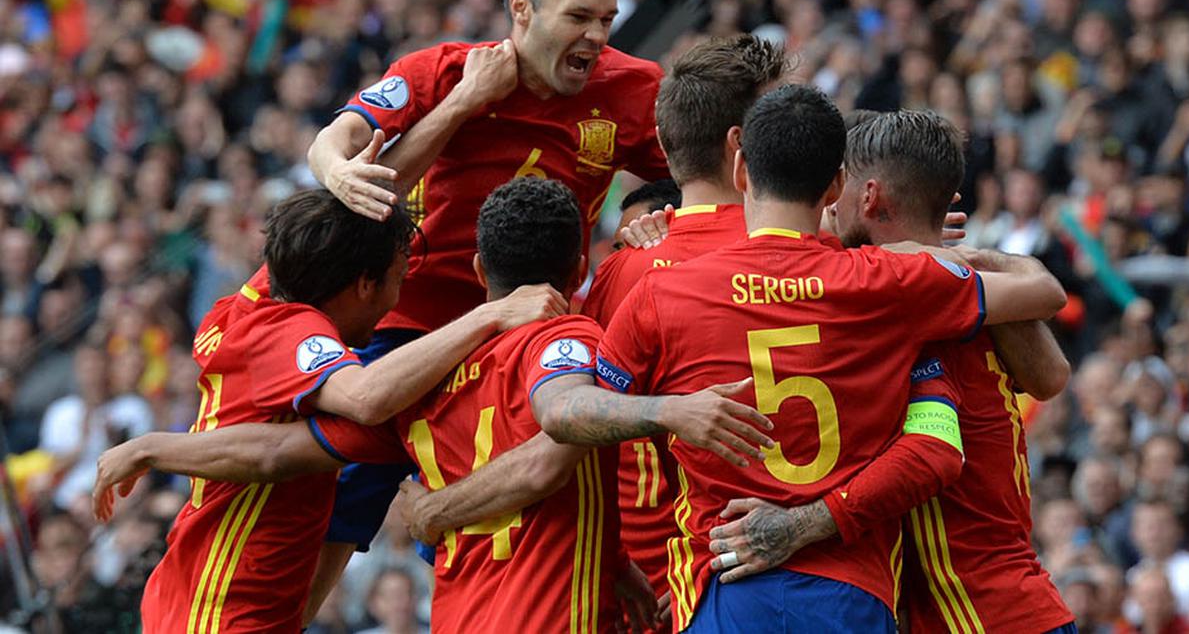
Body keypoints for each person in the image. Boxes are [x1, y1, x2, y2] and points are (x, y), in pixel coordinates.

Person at [95, 179, 772, 633]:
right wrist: (667, 407)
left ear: (478, 271)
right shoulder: (554, 341)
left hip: (440, 613)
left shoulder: (414, 385)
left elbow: (276, 451)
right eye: (396, 280)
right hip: (223, 605)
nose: (400, 298)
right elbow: (547, 445)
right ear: (576, 273)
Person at [587, 85, 1067, 632]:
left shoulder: (900, 292)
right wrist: (960, 259)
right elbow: (1050, 356)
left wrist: (666, 238)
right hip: (881, 597)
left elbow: (941, 448)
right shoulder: (897, 287)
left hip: (974, 612)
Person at [303, 0, 671, 590]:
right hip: (409, 327)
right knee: (335, 508)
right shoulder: (442, 70)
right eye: (578, 17)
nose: (596, 37)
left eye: (606, 20)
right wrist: (339, 164)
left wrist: (646, 218)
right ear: (522, 9)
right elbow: (339, 142)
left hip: (529, 332)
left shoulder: (633, 88)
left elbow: (692, 177)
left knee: (497, 527)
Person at [115, 189, 563, 633]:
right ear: (365, 284)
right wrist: (491, 314)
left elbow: (339, 216)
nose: (396, 303)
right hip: (217, 612)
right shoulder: (290, 333)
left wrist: (366, 163)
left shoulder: (248, 304)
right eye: (398, 280)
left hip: (205, 598)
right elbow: (363, 399)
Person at [580, 34, 786, 599]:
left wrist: (636, 566)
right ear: (742, 144)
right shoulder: (823, 252)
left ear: (668, 149)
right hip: (814, 563)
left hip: (673, 577)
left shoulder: (624, 271)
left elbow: (590, 433)